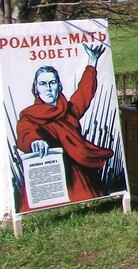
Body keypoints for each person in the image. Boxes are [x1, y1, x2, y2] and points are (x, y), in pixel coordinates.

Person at [16, 44, 114, 211]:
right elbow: (25, 132)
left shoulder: (69, 111)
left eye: (52, 82)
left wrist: (92, 61)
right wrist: (35, 142)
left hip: (78, 173)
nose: (48, 88)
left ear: (59, 86)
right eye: (43, 84)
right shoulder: (30, 115)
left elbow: (85, 92)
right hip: (48, 172)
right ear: (36, 89)